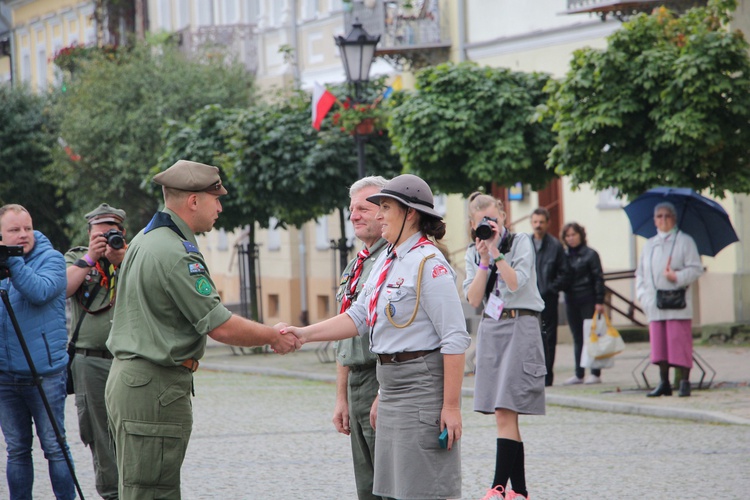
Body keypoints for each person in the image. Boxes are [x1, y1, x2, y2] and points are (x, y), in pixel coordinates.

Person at [104, 160, 300, 499]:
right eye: (215, 198)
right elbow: (220, 326)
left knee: (141, 488)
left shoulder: (146, 239)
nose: (221, 207)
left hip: (137, 383)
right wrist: (272, 336)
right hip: (154, 389)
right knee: (153, 492)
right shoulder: (175, 252)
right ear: (193, 201)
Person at [283, 174, 470, 500]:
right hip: (393, 385)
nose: (378, 214)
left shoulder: (429, 263)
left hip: (422, 389)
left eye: (385, 207)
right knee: (394, 490)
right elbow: (359, 317)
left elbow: (454, 339)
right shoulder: (388, 259)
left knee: (425, 488)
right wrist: (303, 334)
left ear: (410, 213)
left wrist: (451, 407)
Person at [464, 193, 545, 500]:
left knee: (504, 410)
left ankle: (498, 487)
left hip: (520, 325)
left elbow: (514, 283)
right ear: (473, 226)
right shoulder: (473, 254)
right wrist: (484, 259)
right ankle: (520, 492)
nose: (489, 226)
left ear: (504, 219)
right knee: (505, 414)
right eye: (482, 223)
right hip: (491, 328)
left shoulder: (521, 242)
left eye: (493, 221)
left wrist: (497, 251)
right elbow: (473, 300)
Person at [0, 204, 76, 499]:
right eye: (14, 230)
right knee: (16, 449)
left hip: (44, 373)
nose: (23, 235)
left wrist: (12, 262)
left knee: (54, 447)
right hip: (5, 375)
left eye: (27, 228)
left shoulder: (52, 260)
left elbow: (39, 291)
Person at [65, 203, 127, 499]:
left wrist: (122, 258)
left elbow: (153, 283)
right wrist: (91, 257)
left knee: (131, 430)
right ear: (89, 234)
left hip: (127, 361)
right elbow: (62, 288)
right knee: (99, 433)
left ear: (123, 234)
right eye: (99, 234)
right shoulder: (76, 258)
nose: (106, 239)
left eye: (112, 233)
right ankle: (111, 493)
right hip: (89, 362)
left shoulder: (133, 257)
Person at [333, 176, 388, 500]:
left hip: (380, 378)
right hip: (356, 383)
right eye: (351, 208)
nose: (354, 215)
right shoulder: (357, 264)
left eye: (363, 208)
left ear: (385, 211)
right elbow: (346, 334)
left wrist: (385, 391)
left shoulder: (392, 261)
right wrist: (341, 397)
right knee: (366, 488)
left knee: (388, 485)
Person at [635, 202, 703, 398]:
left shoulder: (684, 241)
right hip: (655, 303)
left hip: (677, 301)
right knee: (659, 345)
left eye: (667, 216)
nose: (663, 220)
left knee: (678, 341)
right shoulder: (649, 244)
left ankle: (684, 381)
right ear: (654, 220)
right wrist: (643, 295)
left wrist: (677, 277)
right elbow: (640, 273)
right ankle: (664, 381)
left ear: (674, 219)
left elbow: (696, 268)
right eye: (659, 216)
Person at [561, 222, 606, 385]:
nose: (571, 238)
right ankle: (579, 373)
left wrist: (600, 300)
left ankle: (595, 372)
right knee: (577, 337)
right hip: (571, 300)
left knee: (592, 336)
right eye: (568, 236)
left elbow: (598, 278)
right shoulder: (564, 255)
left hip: (588, 299)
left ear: (581, 235)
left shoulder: (590, 254)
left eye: (574, 235)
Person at [530, 207, 569, 387]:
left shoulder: (555, 246)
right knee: (530, 337)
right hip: (529, 299)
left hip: (548, 299)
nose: (538, 226)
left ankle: (547, 376)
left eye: (541, 222)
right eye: (535, 222)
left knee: (548, 338)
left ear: (548, 224)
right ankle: (532, 375)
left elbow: (564, 273)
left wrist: (550, 289)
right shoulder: (525, 243)